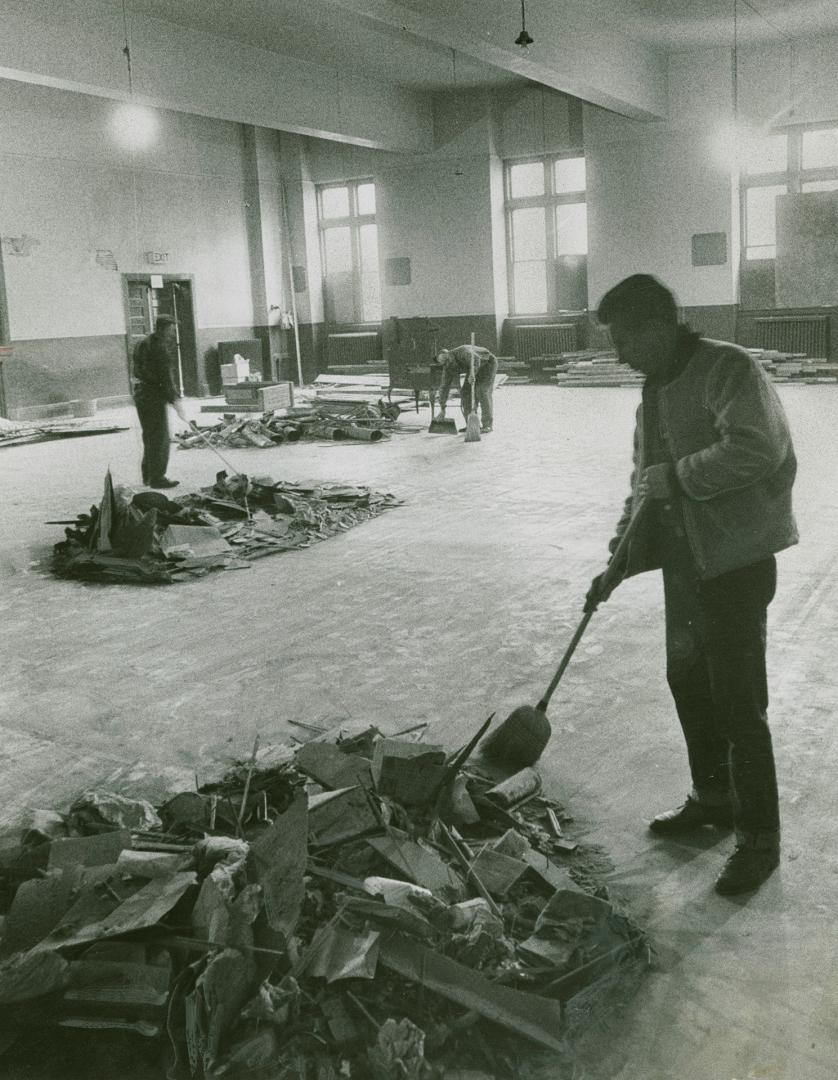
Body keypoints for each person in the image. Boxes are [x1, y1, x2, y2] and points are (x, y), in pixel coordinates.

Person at [586, 274, 798, 896]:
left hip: (736, 563)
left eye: (625, 338)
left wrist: (677, 477)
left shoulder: (727, 368)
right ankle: (715, 799)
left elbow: (758, 448)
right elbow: (644, 485)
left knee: (737, 699)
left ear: (658, 326)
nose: (620, 353)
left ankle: (760, 839)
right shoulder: (651, 393)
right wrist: (617, 561)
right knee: (686, 679)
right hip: (686, 566)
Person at [132, 314, 188, 489]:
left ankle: (148, 476)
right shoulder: (159, 348)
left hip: (141, 394)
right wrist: (176, 400)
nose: (173, 332)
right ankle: (158, 478)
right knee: (160, 437)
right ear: (163, 328)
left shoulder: (143, 343)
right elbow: (165, 378)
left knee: (149, 435)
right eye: (171, 328)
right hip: (153, 396)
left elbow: (138, 370)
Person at [435, 344, 498, 433]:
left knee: (481, 391)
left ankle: (487, 425)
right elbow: (444, 387)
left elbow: (476, 360)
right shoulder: (448, 367)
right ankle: (471, 425)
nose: (447, 363)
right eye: (444, 363)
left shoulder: (463, 351)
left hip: (487, 364)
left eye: (447, 359)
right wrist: (442, 408)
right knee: (465, 393)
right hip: (472, 369)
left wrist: (472, 373)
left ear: (449, 354)